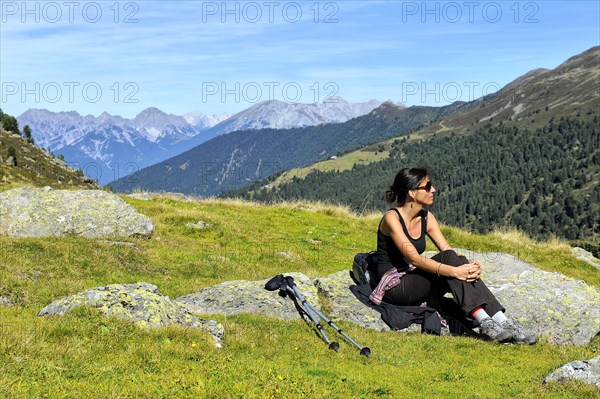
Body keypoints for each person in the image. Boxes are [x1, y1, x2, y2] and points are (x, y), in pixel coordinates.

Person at [369, 167, 537, 344]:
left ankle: (503, 322)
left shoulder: (427, 217)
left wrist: (468, 268)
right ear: (412, 192)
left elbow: (447, 250)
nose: (433, 190)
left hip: (414, 278)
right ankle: (485, 322)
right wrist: (455, 271)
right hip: (395, 286)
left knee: (456, 259)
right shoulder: (392, 218)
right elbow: (414, 259)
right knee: (452, 263)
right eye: (427, 187)